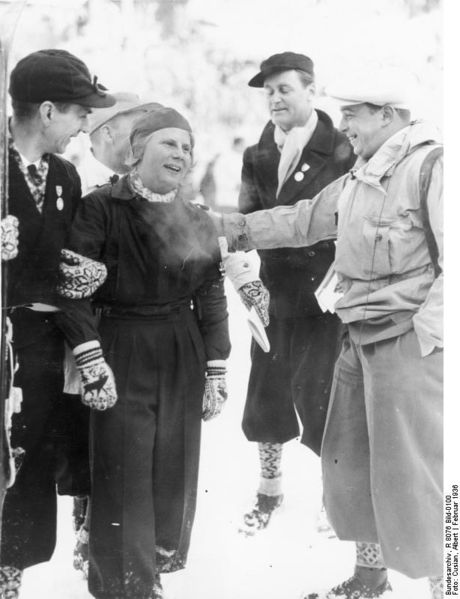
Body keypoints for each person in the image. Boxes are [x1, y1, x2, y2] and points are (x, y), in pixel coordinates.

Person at [215, 67, 443, 599]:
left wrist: (428, 337)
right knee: (350, 465)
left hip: (408, 344)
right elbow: (303, 220)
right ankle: (370, 577)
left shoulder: (434, 168)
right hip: (355, 338)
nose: (343, 125)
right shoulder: (362, 174)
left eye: (353, 114)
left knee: (420, 475)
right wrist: (229, 226)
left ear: (388, 115)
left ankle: (447, 583)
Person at [60, 107, 231, 599]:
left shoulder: (196, 217)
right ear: (136, 152)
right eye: (169, 143)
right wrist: (91, 359)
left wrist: (215, 366)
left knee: (172, 465)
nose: (181, 154)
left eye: (187, 147)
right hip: (120, 345)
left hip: (182, 349)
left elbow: (211, 294)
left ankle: (152, 568)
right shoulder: (101, 208)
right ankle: (124, 584)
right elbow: (74, 289)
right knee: (125, 465)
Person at [0, 49, 116, 598]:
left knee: (28, 468)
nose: (84, 124)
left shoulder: (66, 175)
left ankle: (9, 580)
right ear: (47, 110)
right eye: (78, 112)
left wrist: (85, 271)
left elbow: (64, 263)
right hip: (2, 344)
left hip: (44, 349)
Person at [235, 52, 354, 535]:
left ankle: (336, 496)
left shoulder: (345, 148)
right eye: (269, 91)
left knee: (324, 394)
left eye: (284, 88)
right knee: (266, 393)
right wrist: (248, 284)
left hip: (326, 297)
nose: (275, 99)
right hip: (273, 294)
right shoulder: (256, 153)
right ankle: (269, 490)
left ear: (311, 90)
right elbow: (245, 225)